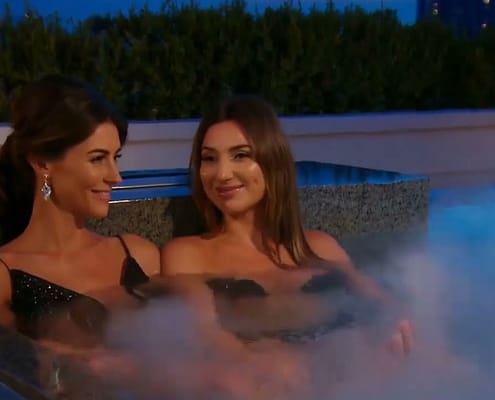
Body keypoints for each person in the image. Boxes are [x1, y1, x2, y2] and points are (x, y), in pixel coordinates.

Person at [160, 94, 413, 355]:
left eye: (240, 155)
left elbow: (386, 308)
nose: (222, 174)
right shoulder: (188, 255)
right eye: (209, 159)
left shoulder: (319, 246)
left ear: (273, 160)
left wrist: (389, 332)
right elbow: (207, 339)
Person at [0, 75, 160, 356]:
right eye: (98, 159)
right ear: (42, 162)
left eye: (116, 158)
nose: (115, 176)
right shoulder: (5, 276)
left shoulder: (140, 255)